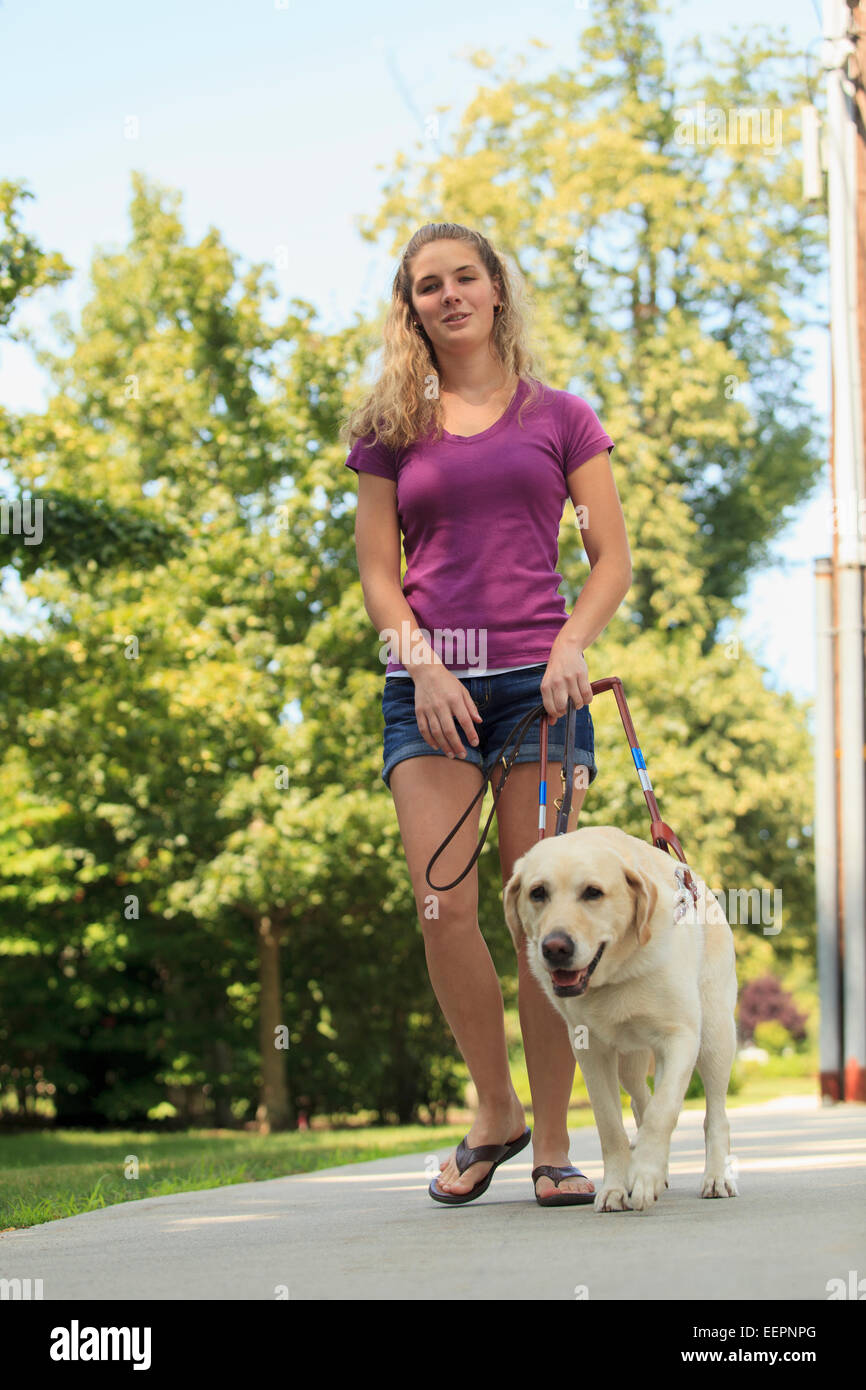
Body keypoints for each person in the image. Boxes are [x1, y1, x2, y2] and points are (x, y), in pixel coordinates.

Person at [341, 222, 632, 1206]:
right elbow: (379, 578)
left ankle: (553, 1144)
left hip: (539, 691)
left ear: (496, 290)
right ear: (410, 306)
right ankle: (494, 1110)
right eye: (428, 285)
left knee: (543, 924)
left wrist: (568, 647)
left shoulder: (561, 419)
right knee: (441, 907)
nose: (448, 295)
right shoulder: (389, 428)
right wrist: (421, 668)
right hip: (431, 691)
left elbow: (609, 563)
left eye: (464, 276)